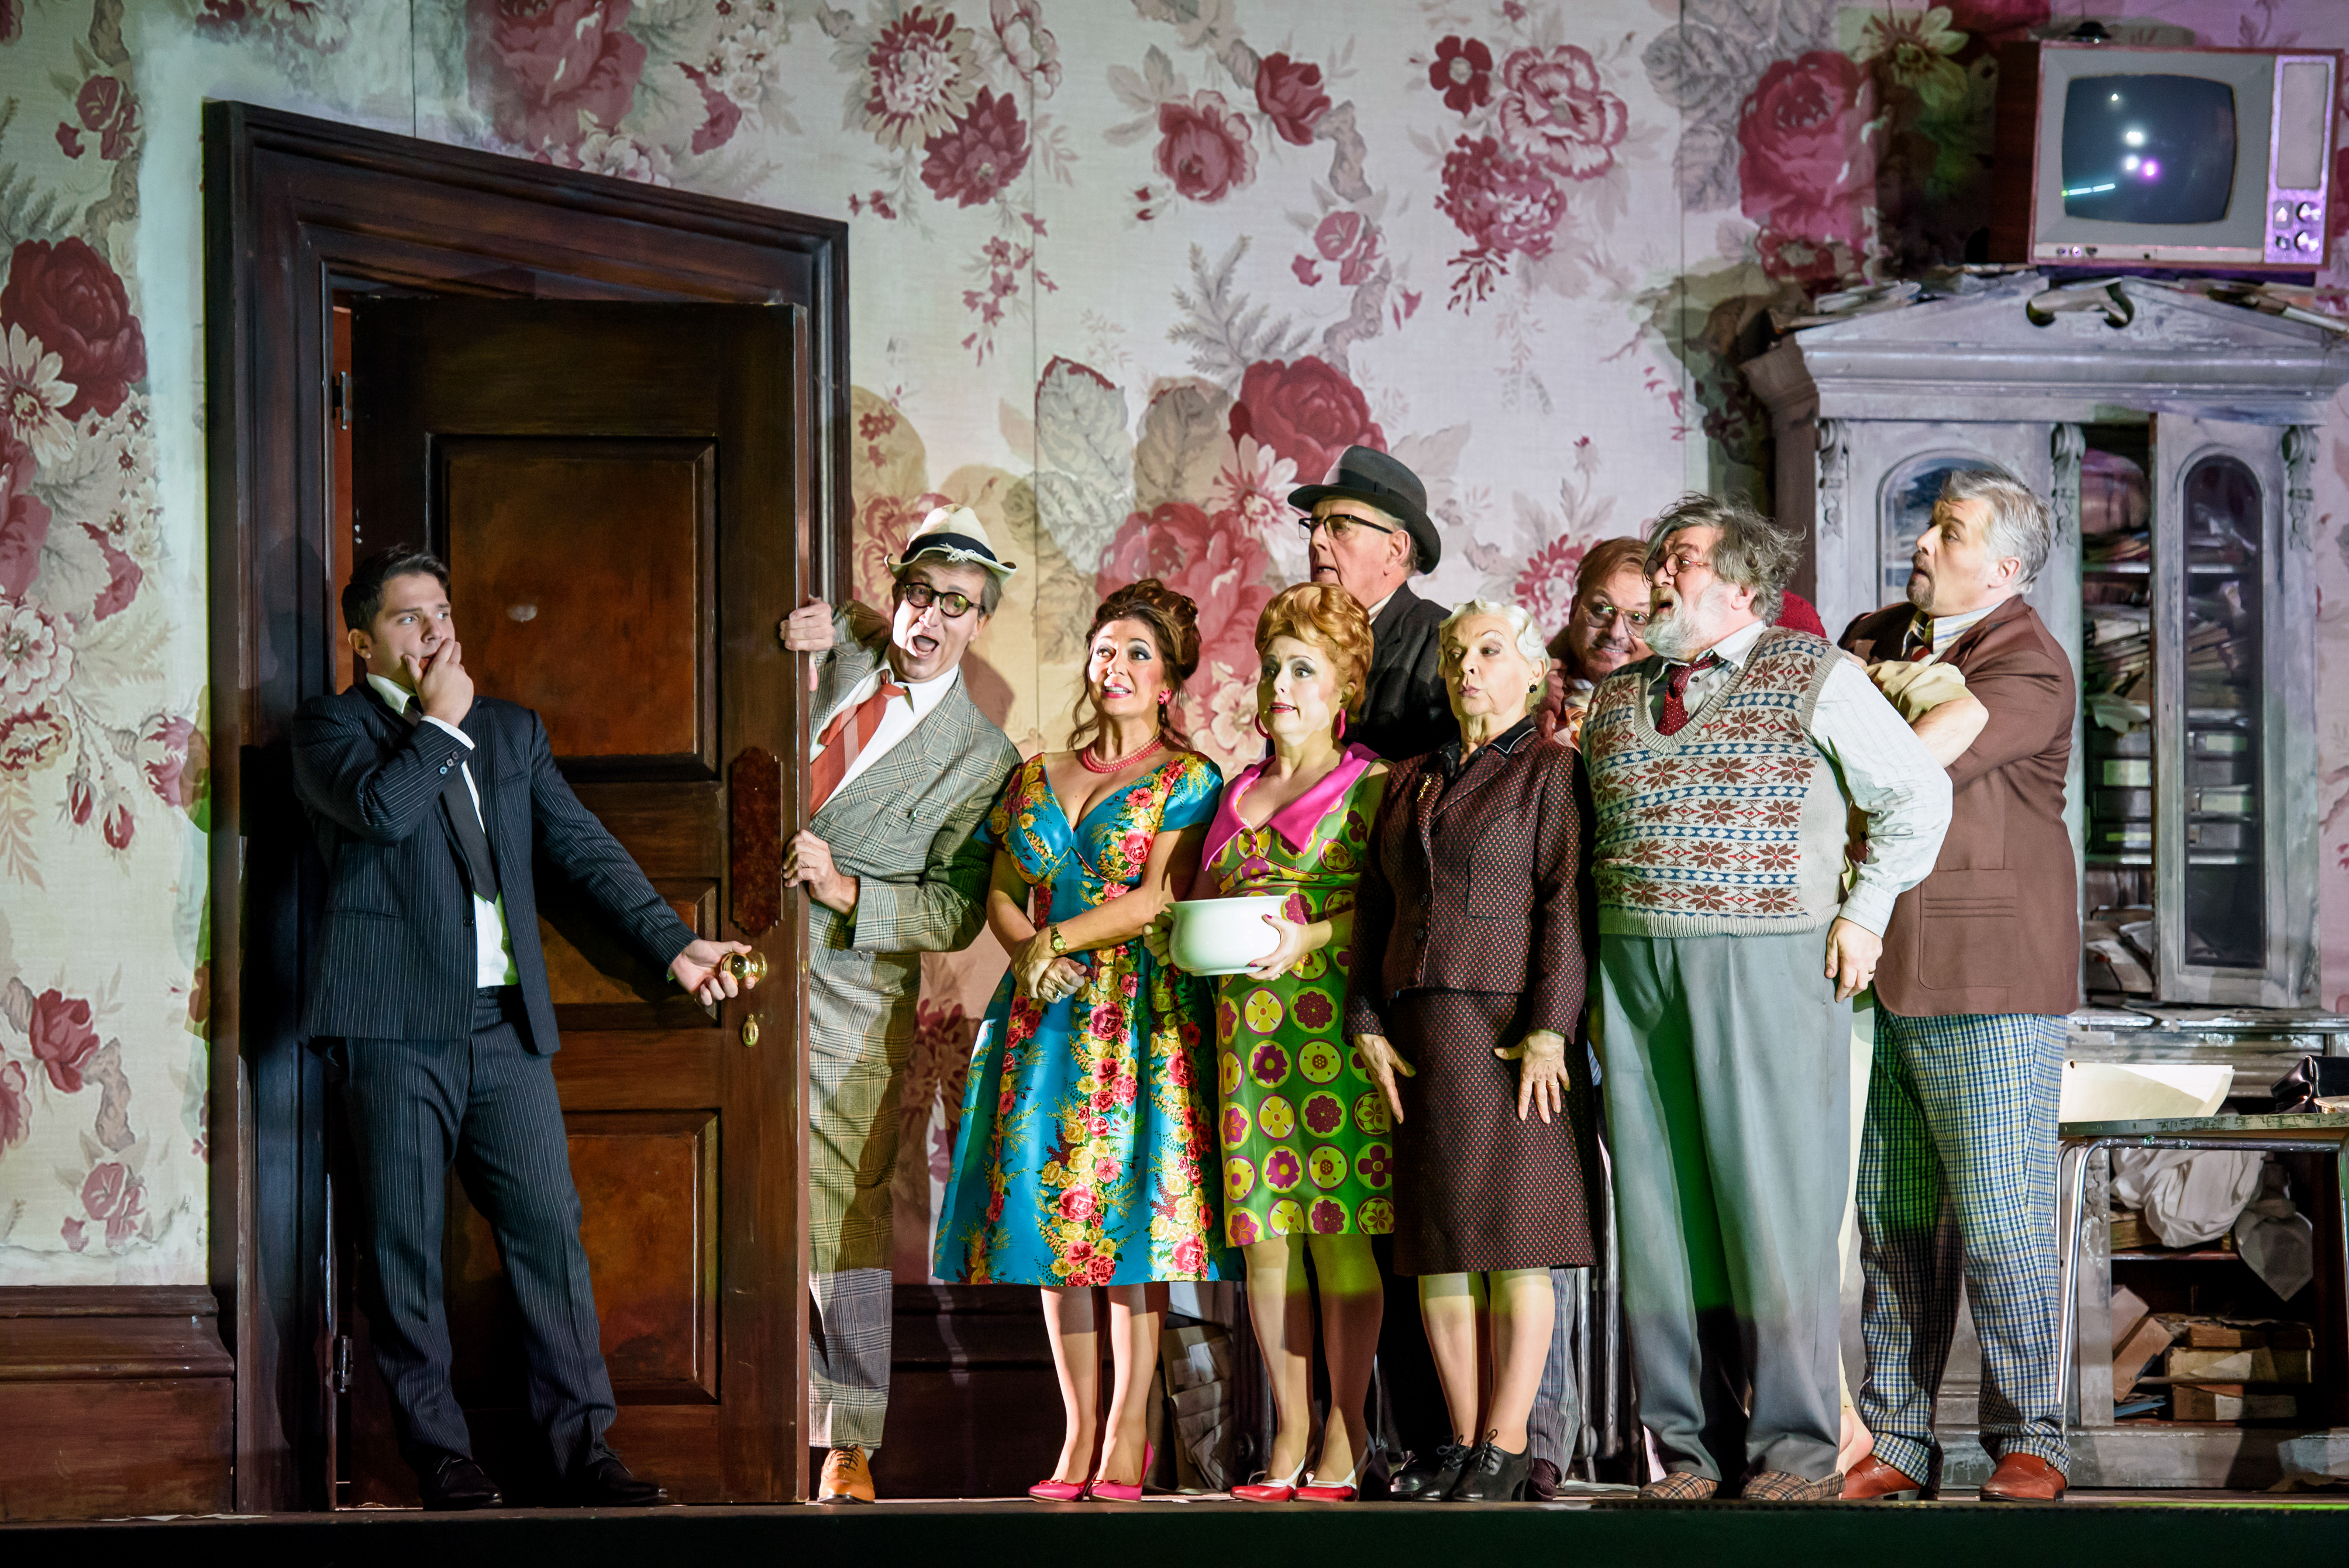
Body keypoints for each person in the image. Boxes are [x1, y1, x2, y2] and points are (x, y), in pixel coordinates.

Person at [293, 546, 754, 1511]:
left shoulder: (510, 731)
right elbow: (382, 811)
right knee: (405, 1246)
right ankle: (440, 1456)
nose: (434, 631)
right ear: (362, 642)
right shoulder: (332, 730)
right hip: (392, 1029)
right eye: (410, 618)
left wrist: (674, 944)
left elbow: (581, 846)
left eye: (442, 612)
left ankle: (585, 1450)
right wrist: (438, 726)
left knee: (550, 1232)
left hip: (505, 1028)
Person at [1582, 496, 1952, 1502]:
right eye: (1660, 558)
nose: (1662, 575)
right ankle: (1686, 1449)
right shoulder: (1615, 700)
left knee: (1775, 1207)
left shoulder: (1812, 674)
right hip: (1636, 973)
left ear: (1744, 582)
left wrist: (1865, 913)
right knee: (1660, 1220)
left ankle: (1794, 1448)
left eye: (1684, 559)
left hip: (1769, 962)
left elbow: (1917, 794)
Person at [934, 578, 1230, 1502]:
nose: (1117, 666)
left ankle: (1129, 1431)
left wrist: (1054, 940)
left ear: (1168, 681)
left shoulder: (1187, 777)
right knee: (1047, 1222)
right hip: (1042, 1016)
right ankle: (1074, 1435)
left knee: (1128, 1221)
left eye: (1139, 653)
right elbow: (999, 891)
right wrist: (1029, 954)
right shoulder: (1034, 775)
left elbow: (1156, 899)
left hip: (1135, 1013)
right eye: (1106, 650)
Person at [1837, 471, 2078, 1504]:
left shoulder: (2029, 659)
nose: (1924, 544)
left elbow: (1909, 760)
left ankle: (2032, 1438)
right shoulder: (1873, 633)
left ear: (2006, 567)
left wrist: (1870, 693)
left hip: (1989, 977)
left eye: (1952, 532)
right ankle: (1898, 1435)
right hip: (1874, 969)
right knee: (1893, 1221)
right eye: (1930, 525)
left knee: (2002, 1217)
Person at [776, 505, 1025, 1504]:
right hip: (733, 950)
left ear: (979, 621)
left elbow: (957, 909)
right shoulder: (838, 647)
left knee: (847, 1207)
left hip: (851, 988)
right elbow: (812, 623)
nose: (931, 618)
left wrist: (848, 891)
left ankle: (847, 1440)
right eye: (920, 594)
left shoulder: (983, 757)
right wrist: (805, 630)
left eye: (957, 605)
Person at [1345, 598, 1597, 1504]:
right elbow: (1375, 908)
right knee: (1439, 1248)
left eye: (1490, 651)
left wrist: (1550, 1028)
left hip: (1510, 1036)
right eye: (1456, 654)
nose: (1468, 669)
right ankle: (1461, 1441)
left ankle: (1508, 1440)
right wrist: (1366, 1021)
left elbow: (1566, 902)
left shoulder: (1551, 771)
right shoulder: (1408, 778)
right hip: (1420, 1036)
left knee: (1518, 1245)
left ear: (1533, 672)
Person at [1145, 584, 1390, 1503]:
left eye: (1303, 670)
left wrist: (1311, 935)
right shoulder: (1236, 791)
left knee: (1339, 1238)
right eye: (1272, 668)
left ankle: (1347, 1430)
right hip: (1246, 1042)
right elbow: (1202, 907)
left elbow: (1392, 912)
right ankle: (1289, 1428)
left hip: (1333, 1032)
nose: (1279, 686)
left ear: (1344, 688)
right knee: (1266, 1243)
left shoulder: (1372, 785)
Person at [1289, 446, 1454, 762]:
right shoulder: (1299, 637)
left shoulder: (1442, 642)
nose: (1317, 540)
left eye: (1340, 525)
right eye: (1314, 525)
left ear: (1396, 549)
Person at [1542, 535, 1653, 746]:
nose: (1615, 633)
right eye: (1601, 609)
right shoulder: (1526, 698)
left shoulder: (1676, 710)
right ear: (1574, 611)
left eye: (1638, 618)